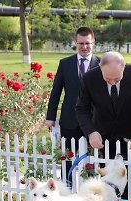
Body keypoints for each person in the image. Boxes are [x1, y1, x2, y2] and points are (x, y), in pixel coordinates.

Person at [76, 51, 131, 201]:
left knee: (127, 174)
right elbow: (81, 108)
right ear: (100, 69)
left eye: (116, 79)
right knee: (104, 177)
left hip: (130, 137)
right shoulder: (89, 78)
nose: (112, 82)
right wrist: (90, 132)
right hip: (102, 137)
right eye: (107, 79)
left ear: (123, 68)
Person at [45, 27, 100, 187]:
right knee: (67, 159)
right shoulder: (65, 63)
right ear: (75, 43)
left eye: (87, 43)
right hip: (69, 119)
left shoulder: (101, 63)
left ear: (93, 42)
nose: (84, 47)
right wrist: (50, 116)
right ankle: (67, 189)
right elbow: (56, 91)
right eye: (81, 43)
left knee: (92, 159)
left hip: (93, 121)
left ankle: (90, 191)